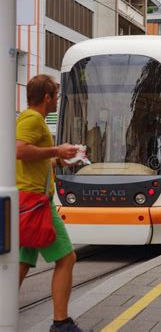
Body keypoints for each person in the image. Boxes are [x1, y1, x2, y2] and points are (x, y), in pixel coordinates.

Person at [16, 75, 83, 332]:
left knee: (20, 264)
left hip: (29, 202)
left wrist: (60, 160)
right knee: (67, 257)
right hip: (35, 203)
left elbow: (31, 159)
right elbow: (19, 150)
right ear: (46, 97)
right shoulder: (32, 118)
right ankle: (61, 322)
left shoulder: (33, 119)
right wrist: (56, 151)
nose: (57, 100)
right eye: (56, 95)